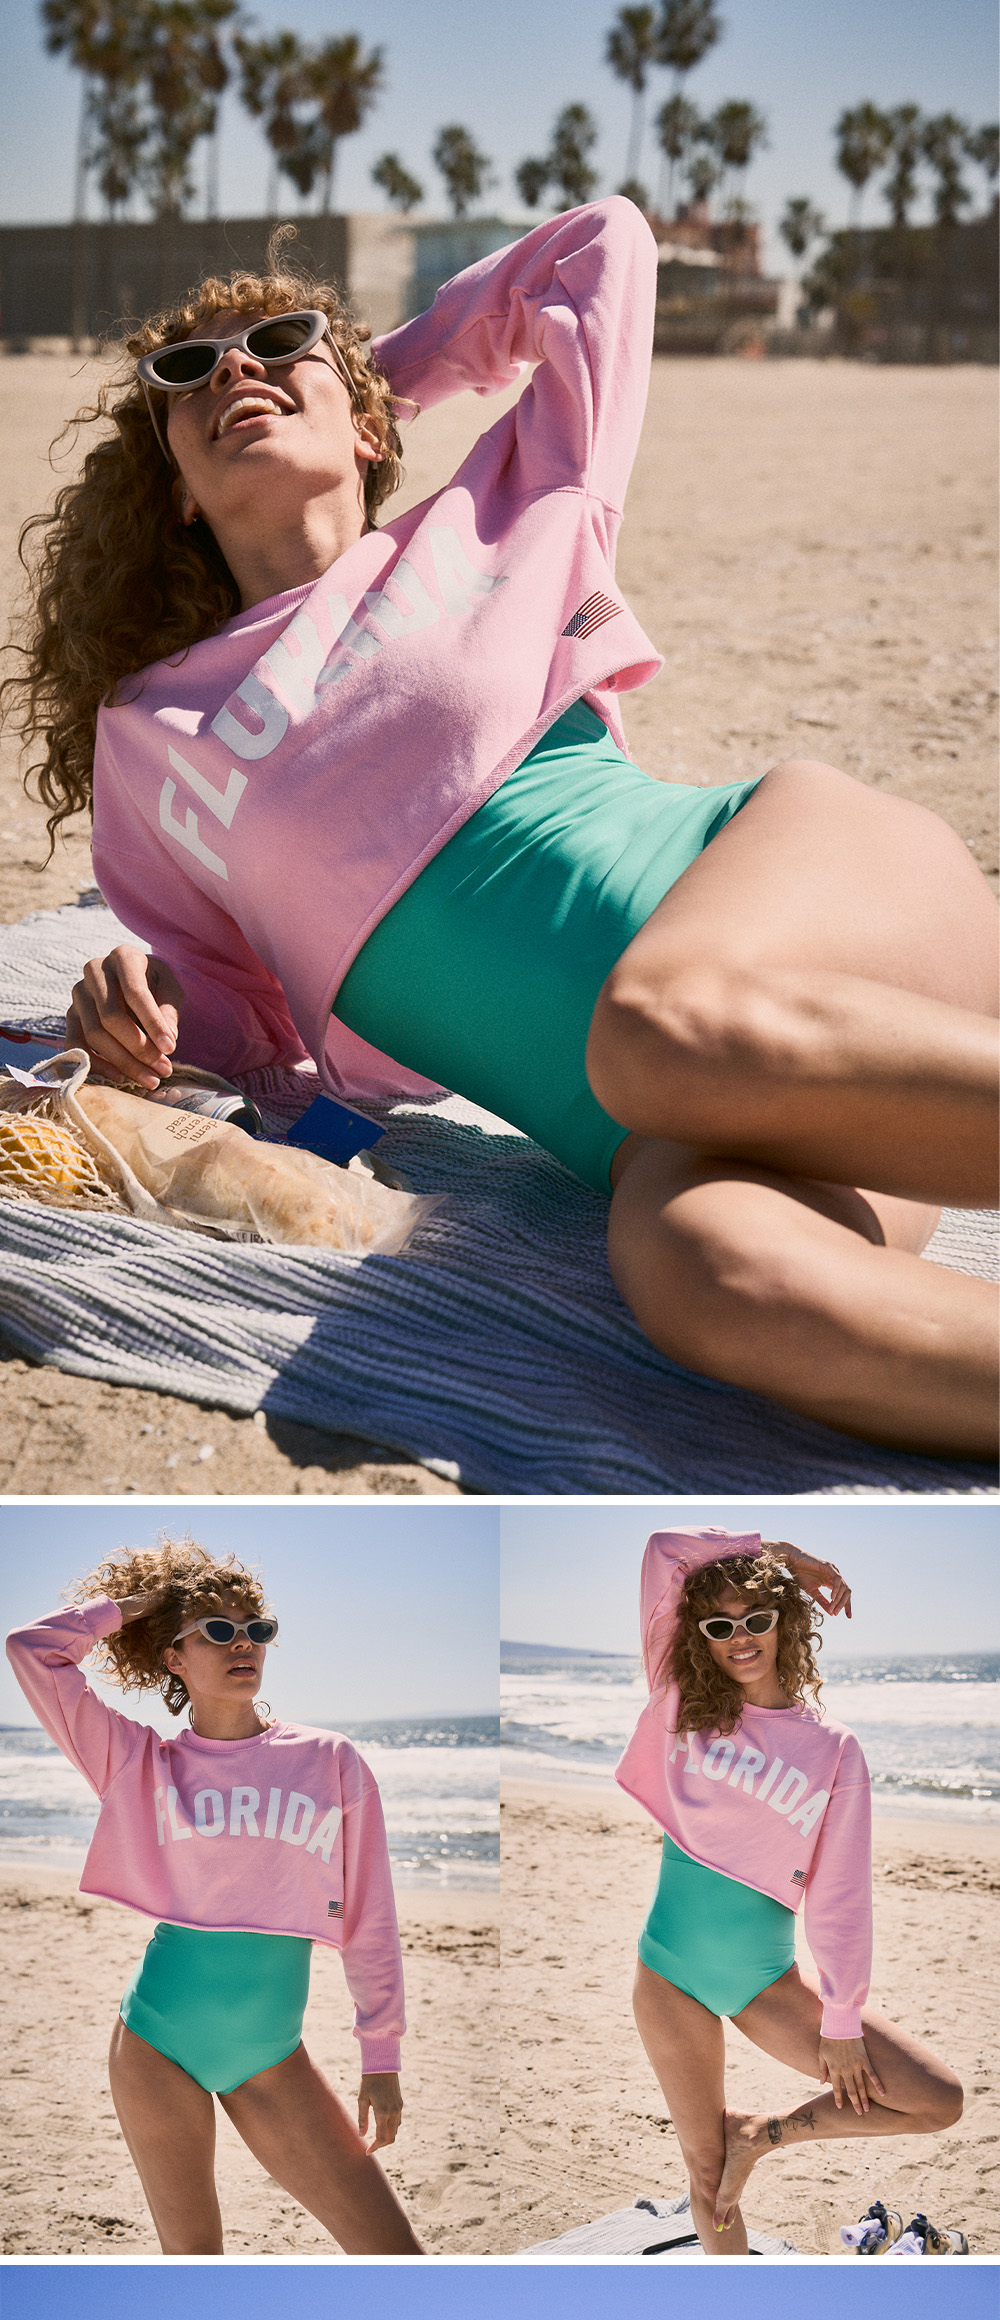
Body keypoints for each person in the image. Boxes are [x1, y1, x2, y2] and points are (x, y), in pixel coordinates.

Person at [15, 214, 997, 1460]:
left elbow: (601, 251)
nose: (235, 370)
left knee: (654, 1028)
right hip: (735, 1120)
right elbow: (246, 1038)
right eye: (189, 371)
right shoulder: (150, 733)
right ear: (171, 484)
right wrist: (134, 1010)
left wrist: (378, 376)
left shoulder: (505, 510)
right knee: (704, 1276)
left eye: (278, 342)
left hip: (823, 899)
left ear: (370, 429)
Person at [7, 1546, 418, 2259]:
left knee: (392, 2254)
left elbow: (369, 1915)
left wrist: (380, 2055)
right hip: (156, 2042)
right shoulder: (139, 1763)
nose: (243, 1645)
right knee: (194, 2260)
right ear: (174, 1657)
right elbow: (32, 1651)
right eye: (218, 1631)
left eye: (257, 1630)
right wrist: (135, 1608)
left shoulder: (330, 1760)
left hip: (273, 2056)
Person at [620, 1531, 963, 2255]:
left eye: (757, 1617)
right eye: (719, 1625)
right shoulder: (682, 1703)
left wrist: (841, 2018)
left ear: (786, 1620)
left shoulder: (833, 1748)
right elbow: (664, 1550)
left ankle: (760, 2134)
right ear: (699, 1637)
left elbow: (841, 1895)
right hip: (667, 1975)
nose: (740, 1637)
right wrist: (781, 1556)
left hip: (764, 1983)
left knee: (936, 2099)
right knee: (705, 2172)